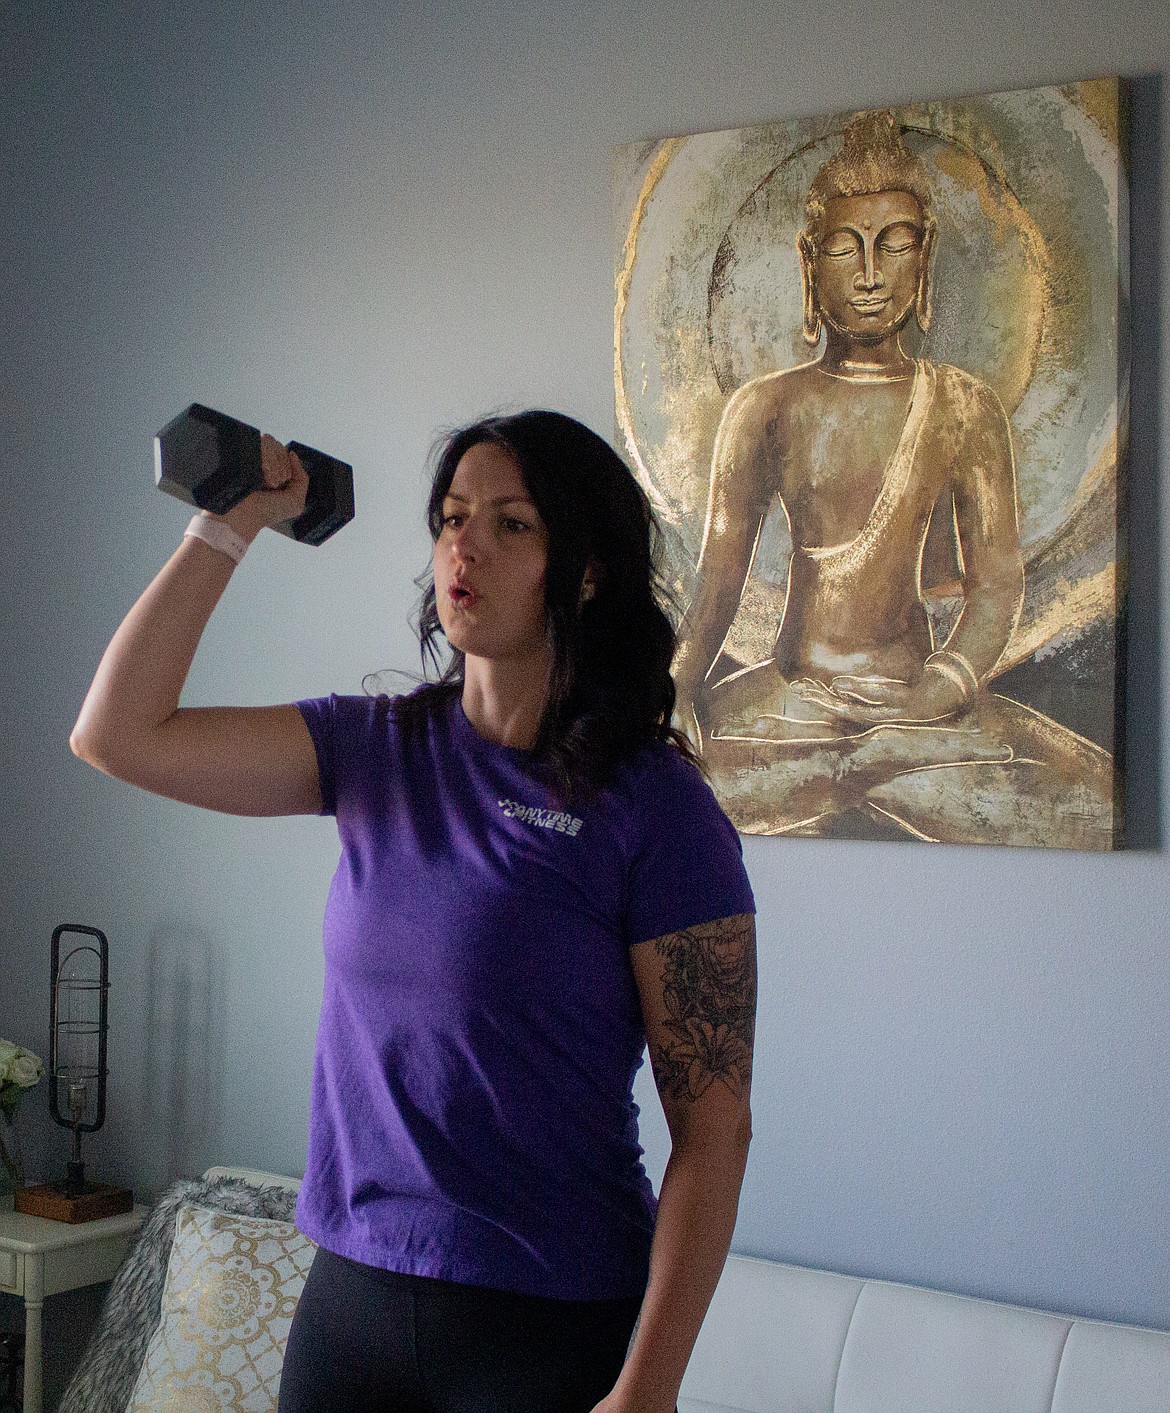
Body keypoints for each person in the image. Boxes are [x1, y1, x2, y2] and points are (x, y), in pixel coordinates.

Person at [70, 408, 757, 1412]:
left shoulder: (655, 807)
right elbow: (118, 734)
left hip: (549, 1322)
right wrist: (229, 524)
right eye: (451, 517)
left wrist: (647, 1387)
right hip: (353, 1299)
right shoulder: (373, 751)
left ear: (588, 569)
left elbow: (715, 1126)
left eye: (511, 524)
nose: (464, 546)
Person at [672, 110, 1113, 848]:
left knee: (1082, 794)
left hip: (920, 705)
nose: (872, 274)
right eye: (846, 249)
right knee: (670, 788)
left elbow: (998, 583)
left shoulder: (964, 408)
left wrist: (948, 680)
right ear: (809, 263)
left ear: (925, 256)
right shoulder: (765, 409)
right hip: (793, 703)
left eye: (894, 244)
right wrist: (678, 685)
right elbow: (717, 584)